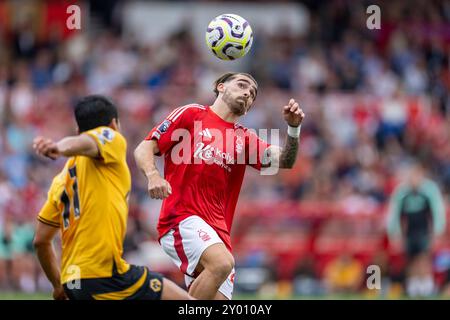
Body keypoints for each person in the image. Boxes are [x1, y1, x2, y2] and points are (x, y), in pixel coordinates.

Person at [134, 72, 305, 300]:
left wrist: (293, 129)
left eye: (252, 93)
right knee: (222, 263)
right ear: (220, 87)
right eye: (242, 85)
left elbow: (285, 160)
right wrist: (153, 176)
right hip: (181, 218)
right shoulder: (192, 114)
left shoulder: (244, 138)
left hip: (219, 233)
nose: (247, 93)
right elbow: (144, 148)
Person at [33, 95, 193, 300]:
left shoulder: (61, 180)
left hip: (73, 282)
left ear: (77, 128)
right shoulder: (113, 138)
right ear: (114, 124)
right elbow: (86, 141)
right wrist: (59, 148)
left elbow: (40, 241)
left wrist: (58, 286)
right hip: (104, 275)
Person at [387, 162, 446, 297]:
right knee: (411, 260)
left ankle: (426, 287)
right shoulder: (402, 192)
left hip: (424, 231)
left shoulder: (429, 190)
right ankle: (414, 288)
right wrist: (394, 233)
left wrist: (437, 231)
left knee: (423, 259)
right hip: (409, 232)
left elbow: (437, 211)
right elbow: (394, 213)